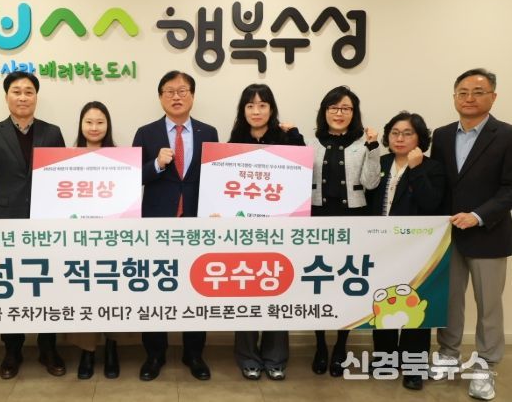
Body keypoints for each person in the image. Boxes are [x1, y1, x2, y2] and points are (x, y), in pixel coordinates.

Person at [0, 71, 67, 380]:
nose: (23, 97)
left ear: (36, 97)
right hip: (5, 219)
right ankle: (12, 350)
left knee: (47, 284)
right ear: (7, 96)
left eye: (28, 92)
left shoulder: (52, 132)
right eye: (17, 92)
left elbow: (63, 175)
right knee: (9, 285)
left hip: (46, 220)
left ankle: (48, 348)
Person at [429, 68, 512, 401]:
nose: (469, 98)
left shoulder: (506, 135)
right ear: (454, 97)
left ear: (493, 96)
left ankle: (485, 367)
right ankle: (448, 355)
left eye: (478, 92)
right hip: (448, 235)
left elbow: (509, 189)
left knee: (488, 306)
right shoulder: (441, 135)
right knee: (448, 300)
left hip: (488, 234)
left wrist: (478, 216)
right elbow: (439, 183)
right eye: (462, 92)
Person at [132, 70, 219, 381]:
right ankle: (154, 354)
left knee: (197, 287)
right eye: (169, 91)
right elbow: (133, 177)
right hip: (157, 222)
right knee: (155, 288)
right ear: (160, 97)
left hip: (197, 222)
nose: (177, 96)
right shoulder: (146, 133)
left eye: (183, 90)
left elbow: (216, 177)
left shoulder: (209, 132)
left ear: (192, 96)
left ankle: (193, 353)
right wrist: (157, 164)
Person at [228, 84, 304, 382]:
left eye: (262, 105)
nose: (256, 111)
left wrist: (295, 135)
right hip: (244, 234)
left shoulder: (286, 139)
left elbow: (302, 173)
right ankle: (247, 357)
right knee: (246, 292)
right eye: (250, 105)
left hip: (279, 233)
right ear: (243, 110)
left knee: (277, 291)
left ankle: (275, 358)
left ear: (271, 109)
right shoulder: (233, 143)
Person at [365, 111, 444, 391]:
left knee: (414, 306)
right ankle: (385, 359)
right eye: (395, 133)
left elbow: (432, 203)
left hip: (417, 249)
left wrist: (417, 169)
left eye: (408, 133)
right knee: (383, 301)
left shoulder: (432, 167)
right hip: (380, 246)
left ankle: (414, 367)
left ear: (420, 138)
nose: (400, 138)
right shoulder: (381, 163)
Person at [307, 85, 380, 377]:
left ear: (354, 113)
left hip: (353, 219)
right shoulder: (311, 142)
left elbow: (371, 183)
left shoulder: (364, 143)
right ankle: (320, 345)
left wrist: (373, 149)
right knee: (318, 281)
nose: (339, 113)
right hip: (318, 218)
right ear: (324, 111)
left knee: (346, 282)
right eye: (334, 107)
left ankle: (341, 346)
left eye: (346, 108)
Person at [66, 101, 121, 379]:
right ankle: (87, 352)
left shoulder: (121, 159)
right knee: (85, 294)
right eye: (89, 122)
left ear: (107, 125)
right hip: (80, 240)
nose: (94, 127)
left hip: (113, 240)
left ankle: (112, 348)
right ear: (81, 125)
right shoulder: (67, 159)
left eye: (100, 122)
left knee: (113, 292)